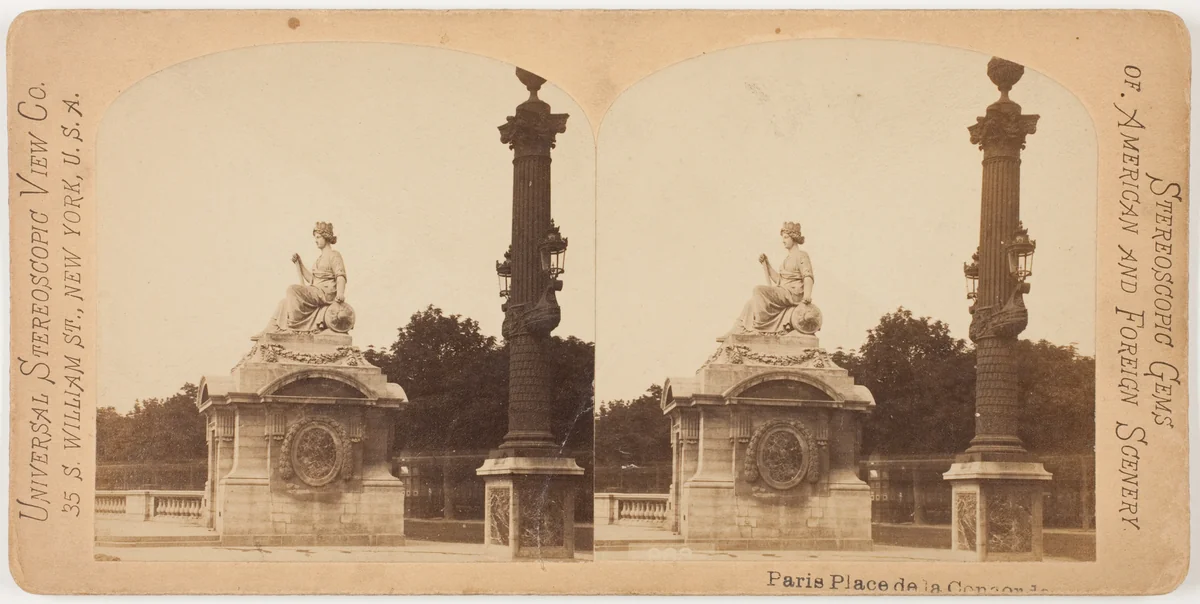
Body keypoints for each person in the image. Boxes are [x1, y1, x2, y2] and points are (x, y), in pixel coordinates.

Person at [733, 221, 814, 334]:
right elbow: (779, 280)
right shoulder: (787, 259)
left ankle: (759, 328)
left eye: (786, 237)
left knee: (758, 290)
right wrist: (766, 264)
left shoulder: (802, 255)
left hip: (793, 294)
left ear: (793, 238)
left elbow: (808, 276)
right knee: (751, 303)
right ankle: (738, 329)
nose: (783, 240)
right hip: (783, 292)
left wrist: (807, 297)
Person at [265, 221, 347, 333]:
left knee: (292, 289)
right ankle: (271, 329)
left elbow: (340, 275)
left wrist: (340, 294)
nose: (316, 240)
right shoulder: (319, 259)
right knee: (284, 302)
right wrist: (299, 263)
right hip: (315, 291)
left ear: (326, 237)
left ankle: (293, 327)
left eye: (318, 237)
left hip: (325, 293)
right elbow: (312, 280)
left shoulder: (334, 255)